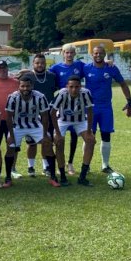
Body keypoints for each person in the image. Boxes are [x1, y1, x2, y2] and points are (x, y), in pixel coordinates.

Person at [83, 45, 131, 173]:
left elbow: (123, 84)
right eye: (95, 53)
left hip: (106, 108)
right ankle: (86, 165)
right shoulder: (86, 68)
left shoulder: (111, 68)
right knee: (89, 136)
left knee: (106, 136)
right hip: (90, 108)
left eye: (100, 53)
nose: (98, 55)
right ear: (92, 54)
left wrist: (130, 102)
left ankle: (105, 165)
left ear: (105, 54)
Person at [6, 75, 58, 188]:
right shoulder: (12, 97)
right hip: (17, 126)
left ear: (32, 86)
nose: (25, 88)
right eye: (23, 86)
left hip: (34, 125)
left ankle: (53, 177)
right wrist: (10, 134)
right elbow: (9, 117)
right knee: (10, 147)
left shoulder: (40, 97)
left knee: (48, 143)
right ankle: (8, 178)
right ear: (18, 86)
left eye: (28, 86)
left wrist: (44, 135)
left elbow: (45, 116)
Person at [17, 54, 57, 177]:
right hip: (31, 115)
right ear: (33, 64)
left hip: (48, 113)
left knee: (47, 141)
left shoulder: (51, 76)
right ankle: (31, 167)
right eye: (37, 63)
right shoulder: (27, 76)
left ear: (46, 64)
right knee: (31, 143)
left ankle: (46, 167)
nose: (40, 65)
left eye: (42, 63)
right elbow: (13, 79)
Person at [50, 76, 95, 186]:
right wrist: (58, 133)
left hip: (80, 120)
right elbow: (52, 113)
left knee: (91, 141)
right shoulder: (62, 94)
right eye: (71, 87)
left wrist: (89, 132)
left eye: (77, 87)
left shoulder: (86, 93)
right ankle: (63, 177)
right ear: (67, 87)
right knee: (59, 142)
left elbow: (89, 112)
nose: (74, 89)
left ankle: (82, 177)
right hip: (62, 120)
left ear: (81, 86)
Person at [49, 44, 86, 176]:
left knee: (75, 135)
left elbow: (94, 66)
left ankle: (70, 163)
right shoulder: (55, 68)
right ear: (62, 53)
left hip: (77, 106)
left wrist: (108, 62)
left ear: (74, 54)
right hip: (62, 106)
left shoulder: (80, 65)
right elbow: (44, 75)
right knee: (59, 138)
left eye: (71, 53)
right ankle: (61, 163)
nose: (69, 55)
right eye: (67, 52)